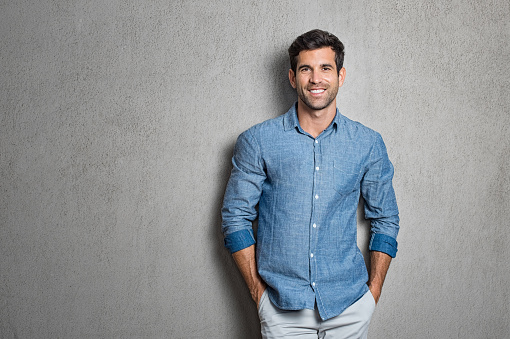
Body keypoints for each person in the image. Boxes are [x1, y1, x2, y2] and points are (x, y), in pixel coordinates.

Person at [221, 29, 400, 339]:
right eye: (306, 69)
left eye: (325, 68)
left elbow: (386, 219)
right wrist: (259, 295)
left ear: (341, 75)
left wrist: (372, 294)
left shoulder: (367, 144)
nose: (316, 78)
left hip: (349, 307)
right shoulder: (257, 141)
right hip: (281, 309)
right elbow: (235, 217)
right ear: (293, 77)